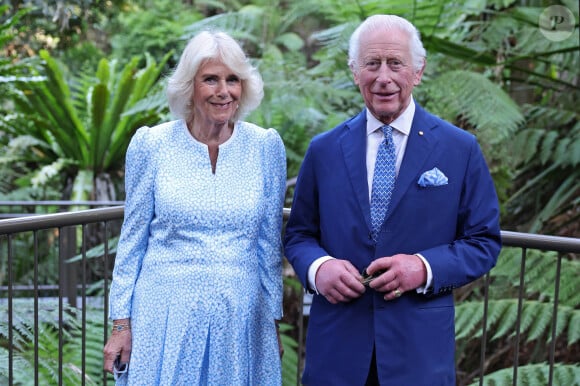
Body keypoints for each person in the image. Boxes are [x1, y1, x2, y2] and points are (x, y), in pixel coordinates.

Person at [284, 14, 501, 386]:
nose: (383, 77)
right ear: (355, 72)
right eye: (372, 64)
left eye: (395, 63)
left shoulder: (458, 149)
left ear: (417, 71)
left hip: (418, 355)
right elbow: (299, 235)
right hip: (336, 352)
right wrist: (319, 269)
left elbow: (483, 242)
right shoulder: (324, 150)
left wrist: (423, 267)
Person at [103, 30, 287, 385]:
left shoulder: (264, 147)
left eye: (232, 79)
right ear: (190, 86)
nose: (224, 91)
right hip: (163, 317)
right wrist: (121, 323)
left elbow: (267, 245)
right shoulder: (152, 144)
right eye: (211, 79)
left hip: (240, 319)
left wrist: (270, 323)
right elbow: (132, 240)